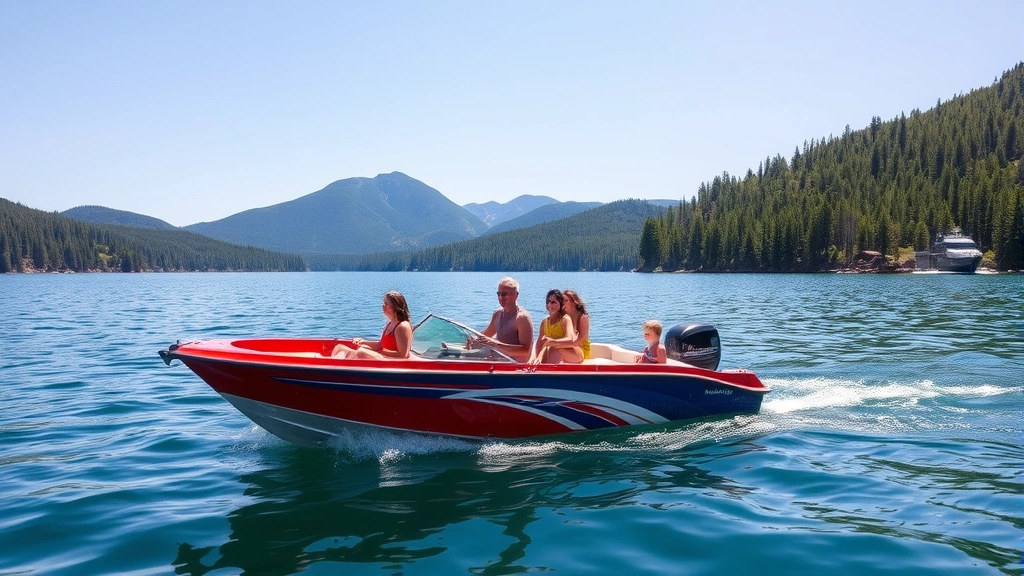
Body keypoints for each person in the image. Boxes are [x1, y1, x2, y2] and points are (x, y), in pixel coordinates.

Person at [332, 291, 413, 360]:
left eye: (386, 304)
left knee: (361, 352)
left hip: (393, 362)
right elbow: (380, 345)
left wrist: (377, 352)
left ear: (395, 308)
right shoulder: (390, 323)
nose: (383, 306)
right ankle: (333, 366)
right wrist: (363, 342)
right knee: (339, 347)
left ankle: (337, 368)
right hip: (384, 357)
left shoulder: (402, 326)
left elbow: (403, 355)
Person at [471, 277, 534, 362]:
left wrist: (494, 344)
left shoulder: (522, 318)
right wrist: (473, 340)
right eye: (499, 294)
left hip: (515, 368)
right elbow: (486, 334)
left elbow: (525, 350)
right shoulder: (498, 314)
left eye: (504, 294)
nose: (501, 297)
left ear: (516, 295)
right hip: (498, 362)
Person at [531, 289, 583, 364]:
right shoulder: (544, 323)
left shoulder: (565, 319)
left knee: (552, 349)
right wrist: (538, 357)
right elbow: (540, 343)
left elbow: (571, 339)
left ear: (561, 304)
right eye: (548, 302)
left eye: (553, 302)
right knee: (547, 351)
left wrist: (552, 341)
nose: (550, 304)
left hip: (574, 354)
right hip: (556, 351)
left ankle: (552, 374)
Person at [562, 289, 592, 361]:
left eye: (566, 301)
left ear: (574, 302)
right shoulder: (564, 317)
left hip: (582, 350)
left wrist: (558, 345)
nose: (563, 303)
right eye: (562, 301)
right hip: (569, 347)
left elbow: (580, 340)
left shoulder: (583, 317)